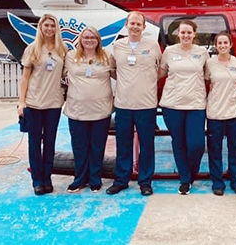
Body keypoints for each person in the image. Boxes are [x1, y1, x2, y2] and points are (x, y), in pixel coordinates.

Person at [107, 12, 162, 196]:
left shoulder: (153, 46)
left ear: (144, 27)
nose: (135, 27)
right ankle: (121, 179)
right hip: (123, 104)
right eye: (132, 23)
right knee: (123, 144)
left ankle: (145, 181)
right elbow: (113, 70)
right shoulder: (117, 46)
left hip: (146, 104)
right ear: (126, 24)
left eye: (139, 24)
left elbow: (161, 70)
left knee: (147, 144)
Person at [18, 13, 67, 195]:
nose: (49, 29)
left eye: (52, 26)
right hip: (35, 103)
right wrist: (21, 102)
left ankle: (47, 177)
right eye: (46, 25)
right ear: (40, 27)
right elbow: (25, 78)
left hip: (54, 103)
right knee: (34, 142)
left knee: (50, 142)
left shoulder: (62, 50)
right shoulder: (32, 49)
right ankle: (37, 180)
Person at [159, 20, 208, 195]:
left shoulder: (202, 53)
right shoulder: (169, 52)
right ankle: (185, 180)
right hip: (172, 104)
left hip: (196, 104)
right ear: (177, 34)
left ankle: (190, 173)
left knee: (196, 145)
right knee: (178, 143)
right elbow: (160, 73)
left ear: (194, 34)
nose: (186, 35)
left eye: (189, 32)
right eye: (183, 32)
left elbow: (209, 76)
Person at [64, 26, 115, 193]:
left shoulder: (107, 56)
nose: (89, 40)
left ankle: (95, 178)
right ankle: (79, 179)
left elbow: (120, 74)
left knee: (97, 146)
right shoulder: (70, 56)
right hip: (77, 110)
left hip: (100, 109)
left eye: (93, 37)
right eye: (86, 37)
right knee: (79, 147)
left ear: (98, 40)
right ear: (80, 39)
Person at [205, 31, 236, 196]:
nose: (222, 46)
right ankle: (217, 182)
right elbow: (207, 81)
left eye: (225, 43)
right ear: (216, 45)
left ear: (230, 45)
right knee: (215, 150)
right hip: (215, 112)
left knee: (235, 148)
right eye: (219, 43)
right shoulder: (209, 63)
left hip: (234, 112)